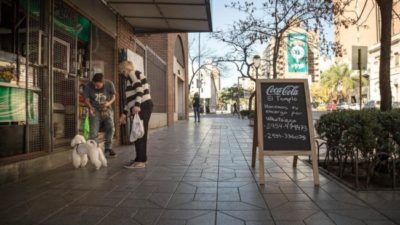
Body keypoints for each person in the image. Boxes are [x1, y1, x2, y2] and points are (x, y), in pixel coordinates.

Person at [119, 61, 153, 169]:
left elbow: (140, 90)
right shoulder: (133, 76)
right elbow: (130, 101)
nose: (122, 73)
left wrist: (137, 105)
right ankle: (141, 158)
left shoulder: (132, 74)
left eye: (122, 71)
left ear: (125, 69)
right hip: (142, 105)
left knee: (139, 133)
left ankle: (141, 161)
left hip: (143, 105)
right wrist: (124, 114)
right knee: (139, 133)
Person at [84, 73, 116, 157]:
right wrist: (90, 107)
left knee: (110, 127)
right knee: (93, 131)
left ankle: (108, 148)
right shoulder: (88, 85)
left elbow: (114, 97)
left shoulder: (109, 84)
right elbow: (86, 99)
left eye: (98, 86)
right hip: (95, 109)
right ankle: (95, 151)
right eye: (94, 85)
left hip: (106, 108)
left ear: (103, 82)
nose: (95, 87)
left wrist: (108, 103)